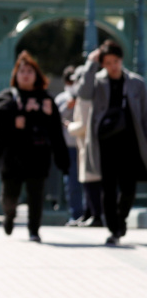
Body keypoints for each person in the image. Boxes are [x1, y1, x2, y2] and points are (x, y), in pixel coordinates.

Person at [0, 52, 68, 242]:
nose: (26, 75)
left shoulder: (46, 100)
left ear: (37, 75)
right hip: (12, 156)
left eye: (30, 71)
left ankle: (34, 230)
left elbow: (56, 131)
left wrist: (62, 159)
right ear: (16, 75)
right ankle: (9, 215)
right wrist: (14, 116)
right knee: (10, 195)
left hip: (38, 155)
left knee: (36, 195)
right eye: (22, 71)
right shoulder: (10, 96)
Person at [77, 39, 147, 246]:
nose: (112, 66)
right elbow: (83, 93)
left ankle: (121, 218)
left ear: (121, 60)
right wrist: (91, 64)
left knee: (128, 187)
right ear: (102, 64)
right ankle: (113, 229)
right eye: (107, 63)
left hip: (130, 142)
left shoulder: (136, 83)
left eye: (115, 61)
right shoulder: (98, 81)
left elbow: (144, 115)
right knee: (107, 187)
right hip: (105, 143)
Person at [66, 78, 104, 227]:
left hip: (89, 146)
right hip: (84, 146)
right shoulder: (83, 97)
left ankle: (95, 215)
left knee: (91, 182)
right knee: (86, 182)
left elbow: (84, 125)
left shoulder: (85, 99)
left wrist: (70, 127)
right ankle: (88, 214)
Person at [55, 65, 85, 225]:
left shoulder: (86, 95)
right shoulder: (61, 99)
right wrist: (68, 107)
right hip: (68, 146)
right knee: (72, 182)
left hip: (84, 145)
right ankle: (75, 214)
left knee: (88, 181)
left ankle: (89, 213)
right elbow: (55, 119)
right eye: (69, 81)